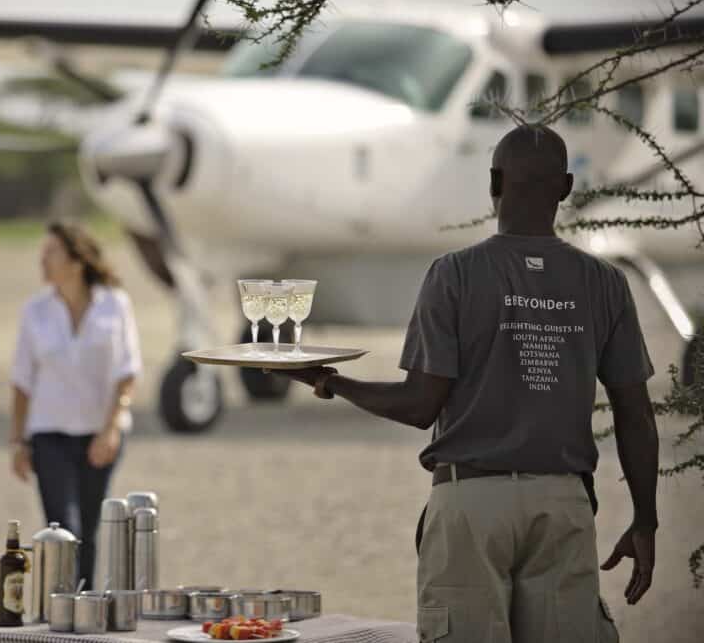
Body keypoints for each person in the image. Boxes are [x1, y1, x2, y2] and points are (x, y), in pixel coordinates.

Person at [280, 125, 659, 643]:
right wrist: (645, 520)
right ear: (567, 187)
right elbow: (635, 414)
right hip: (564, 504)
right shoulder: (606, 283)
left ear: (493, 182)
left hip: (471, 504)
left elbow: (419, 405)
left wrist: (329, 382)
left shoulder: (454, 275)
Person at [9, 221, 142, 589]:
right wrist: (17, 441)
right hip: (49, 434)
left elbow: (127, 371)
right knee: (63, 527)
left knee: (89, 528)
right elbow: (21, 381)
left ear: (77, 260)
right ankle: (61, 611)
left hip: (100, 435)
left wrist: (110, 429)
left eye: (51, 252)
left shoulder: (115, 304)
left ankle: (84, 613)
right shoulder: (34, 311)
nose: (43, 261)